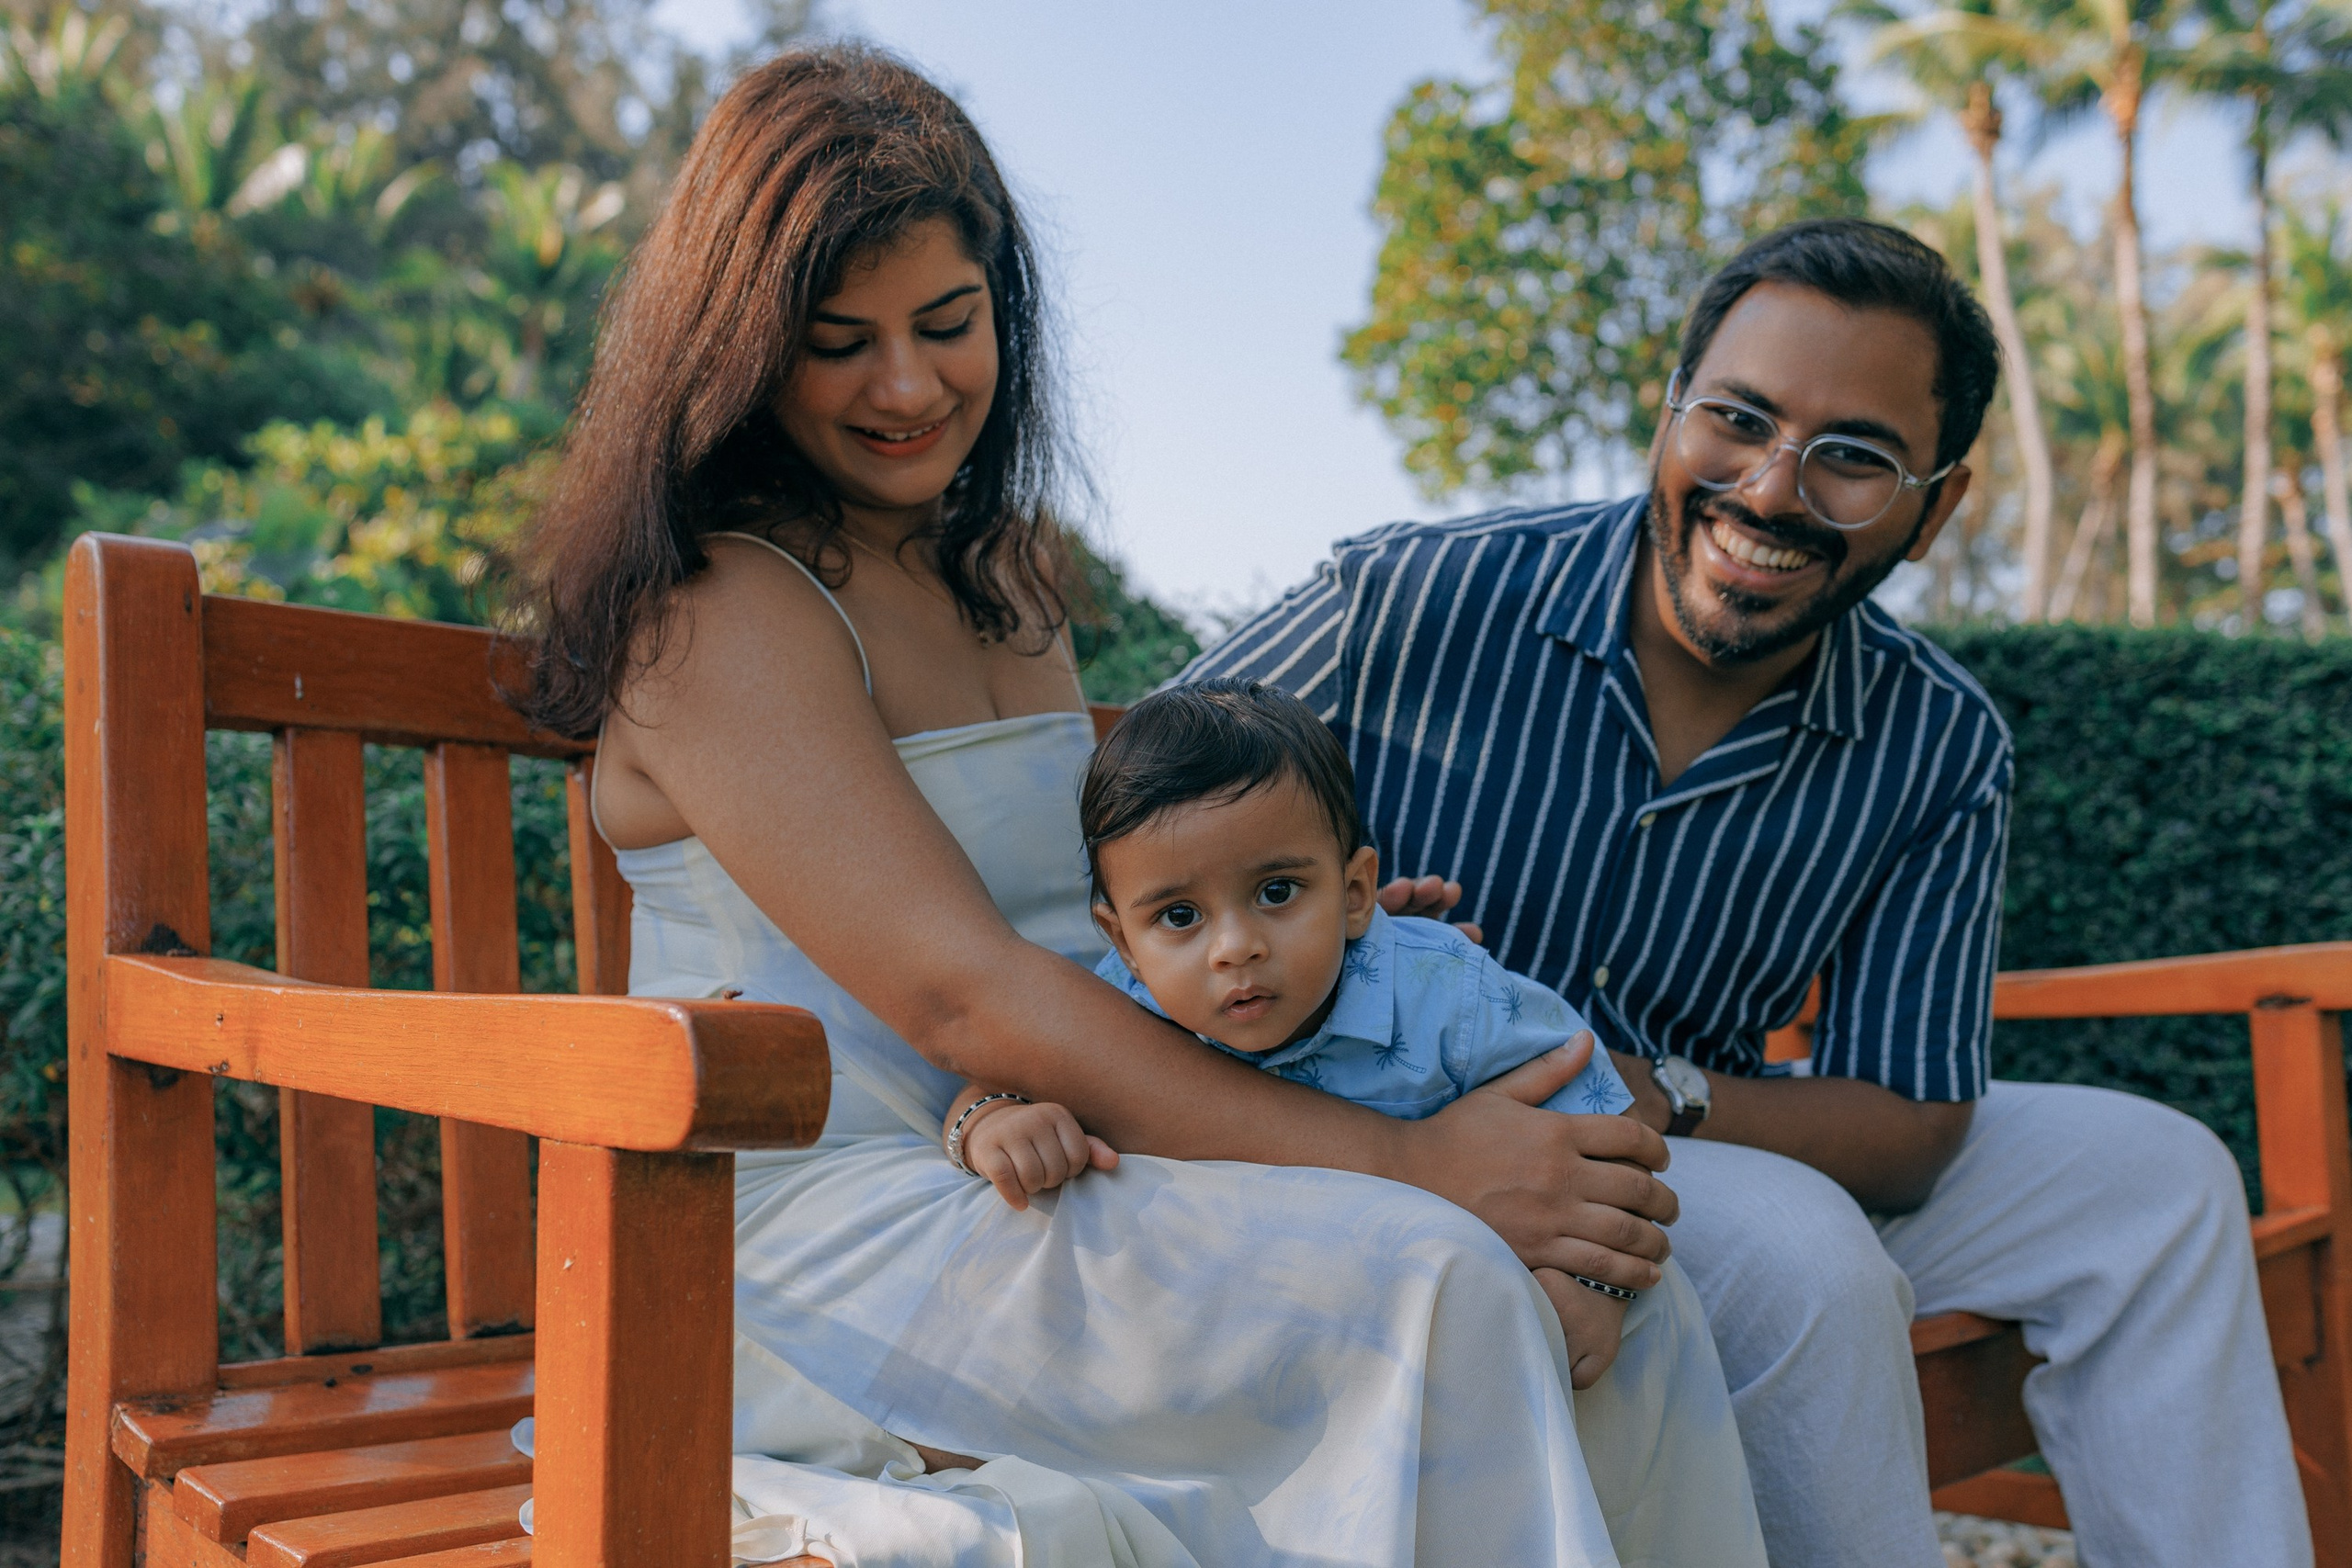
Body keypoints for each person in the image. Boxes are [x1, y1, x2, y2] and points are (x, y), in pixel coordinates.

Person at [519, 43, 1767, 1567]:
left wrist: (1292, 933)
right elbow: (964, 988)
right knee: (1434, 1266)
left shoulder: (1004, 574)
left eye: (948, 323)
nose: (908, 387)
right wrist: (1405, 1159)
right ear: (742, 351)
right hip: (825, 1230)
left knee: (1626, 1283)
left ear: (1004, 311)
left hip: (1070, 1144)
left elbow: (1086, 909)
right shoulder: (720, 608)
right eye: (839, 341)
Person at [1190, 216, 2312, 1568]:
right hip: (1389, 1132)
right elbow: (1130, 811)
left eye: (1855, 456)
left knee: (2161, 1173)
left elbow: (1912, 1116)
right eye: (1739, 416)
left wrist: (1671, 1090)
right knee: (1804, 1250)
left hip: (1678, 1133)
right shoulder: (1412, 599)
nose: (1774, 489)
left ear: (1936, 504)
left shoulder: (1941, 741)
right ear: (1671, 415)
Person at [949, 677, 1640, 1387]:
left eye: (1277, 891)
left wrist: (1596, 1284)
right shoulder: (1118, 1008)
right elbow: (1005, 1073)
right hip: (1236, 1333)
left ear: (1355, 892)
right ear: (1123, 940)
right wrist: (987, 1120)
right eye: (1179, 916)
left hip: (1417, 1333)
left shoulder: (1447, 993)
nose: (1235, 947)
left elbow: (1601, 1116)